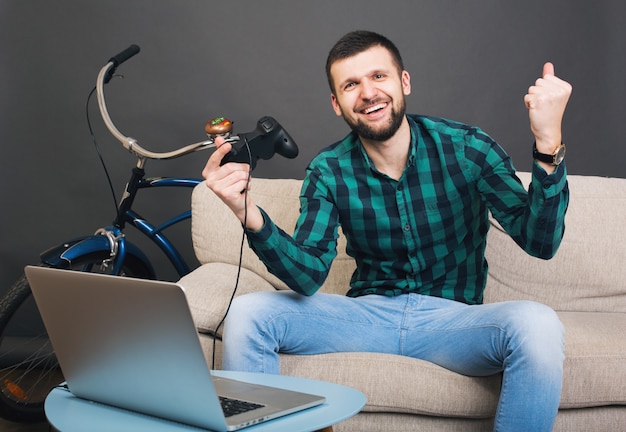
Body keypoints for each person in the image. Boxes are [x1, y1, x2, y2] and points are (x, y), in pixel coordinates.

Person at [202, 30, 572, 432]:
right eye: (350, 84)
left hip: (452, 322)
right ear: (336, 103)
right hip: (367, 316)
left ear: (403, 82)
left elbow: (541, 241)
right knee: (250, 312)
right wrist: (246, 211)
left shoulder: (467, 147)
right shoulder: (328, 170)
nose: (367, 93)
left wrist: (547, 141)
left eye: (379, 76)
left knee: (538, 323)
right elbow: (307, 275)